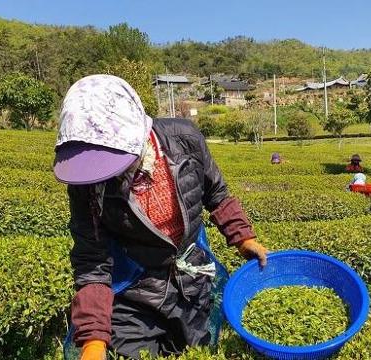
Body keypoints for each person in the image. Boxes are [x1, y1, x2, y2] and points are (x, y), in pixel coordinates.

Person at [53, 75, 268, 360]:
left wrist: (243, 237)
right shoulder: (86, 184)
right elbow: (92, 261)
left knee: (195, 349)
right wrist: (93, 339)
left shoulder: (185, 139)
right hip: (135, 288)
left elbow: (216, 193)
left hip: (191, 278)